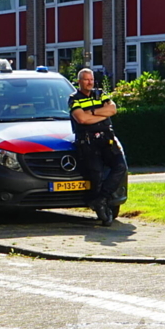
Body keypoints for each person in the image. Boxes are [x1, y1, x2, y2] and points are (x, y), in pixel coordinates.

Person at [69, 68, 127, 225]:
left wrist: (91, 112)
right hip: (88, 142)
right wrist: (101, 115)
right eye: (86, 80)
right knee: (96, 175)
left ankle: (101, 200)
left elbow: (113, 109)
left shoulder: (100, 94)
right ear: (79, 81)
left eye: (91, 79)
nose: (90, 82)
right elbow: (81, 119)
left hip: (107, 139)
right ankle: (101, 209)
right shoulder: (74, 98)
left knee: (120, 167)